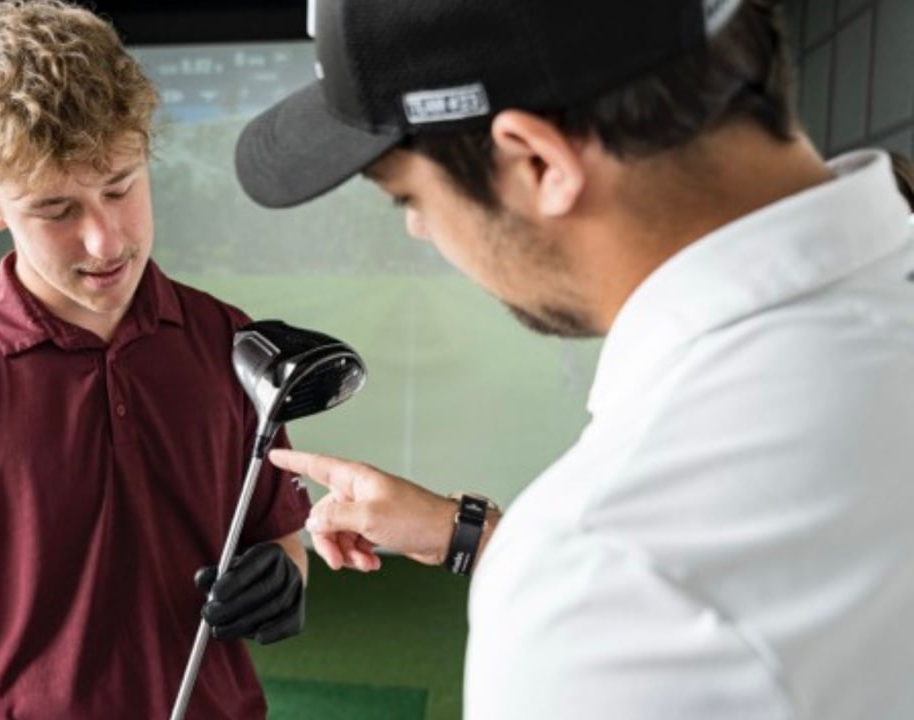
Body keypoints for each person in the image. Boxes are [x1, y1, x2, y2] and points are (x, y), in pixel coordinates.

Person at [236, 0, 914, 717]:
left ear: (537, 161)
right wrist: (471, 536)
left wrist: (556, 564)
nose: (420, 229)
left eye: (410, 196)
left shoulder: (601, 584)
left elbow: (651, 595)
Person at [0, 2, 311, 718]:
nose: (105, 241)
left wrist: (284, 572)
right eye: (57, 210)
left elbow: (277, 531)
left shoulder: (232, 344)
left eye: (121, 187)